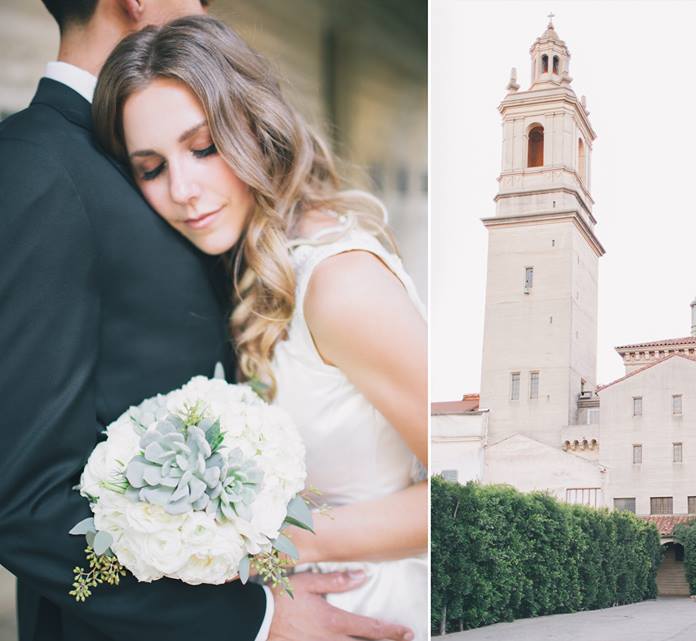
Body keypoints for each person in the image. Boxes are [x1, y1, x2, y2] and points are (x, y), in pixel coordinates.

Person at [0, 2, 413, 641]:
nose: (184, 190)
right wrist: (255, 605)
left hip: (355, 595)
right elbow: (26, 491)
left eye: (204, 146)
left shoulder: (329, 277)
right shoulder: (39, 164)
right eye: (152, 168)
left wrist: (268, 548)